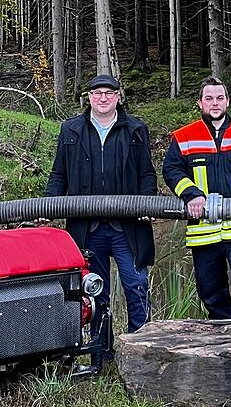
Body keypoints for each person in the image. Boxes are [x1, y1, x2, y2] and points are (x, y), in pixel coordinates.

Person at [46, 74, 157, 364]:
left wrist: (147, 201)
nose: (103, 98)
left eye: (109, 93)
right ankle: (100, 354)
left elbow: (147, 173)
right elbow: (59, 174)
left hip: (127, 228)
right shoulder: (71, 129)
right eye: (97, 93)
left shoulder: (135, 129)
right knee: (94, 293)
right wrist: (48, 208)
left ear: (118, 97)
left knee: (136, 286)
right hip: (88, 229)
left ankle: (140, 352)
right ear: (89, 97)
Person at [162, 76, 231, 321]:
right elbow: (171, 170)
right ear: (200, 103)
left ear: (228, 101)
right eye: (209, 98)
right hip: (203, 230)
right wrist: (191, 194)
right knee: (211, 292)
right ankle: (224, 342)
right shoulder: (184, 137)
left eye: (220, 98)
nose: (215, 103)